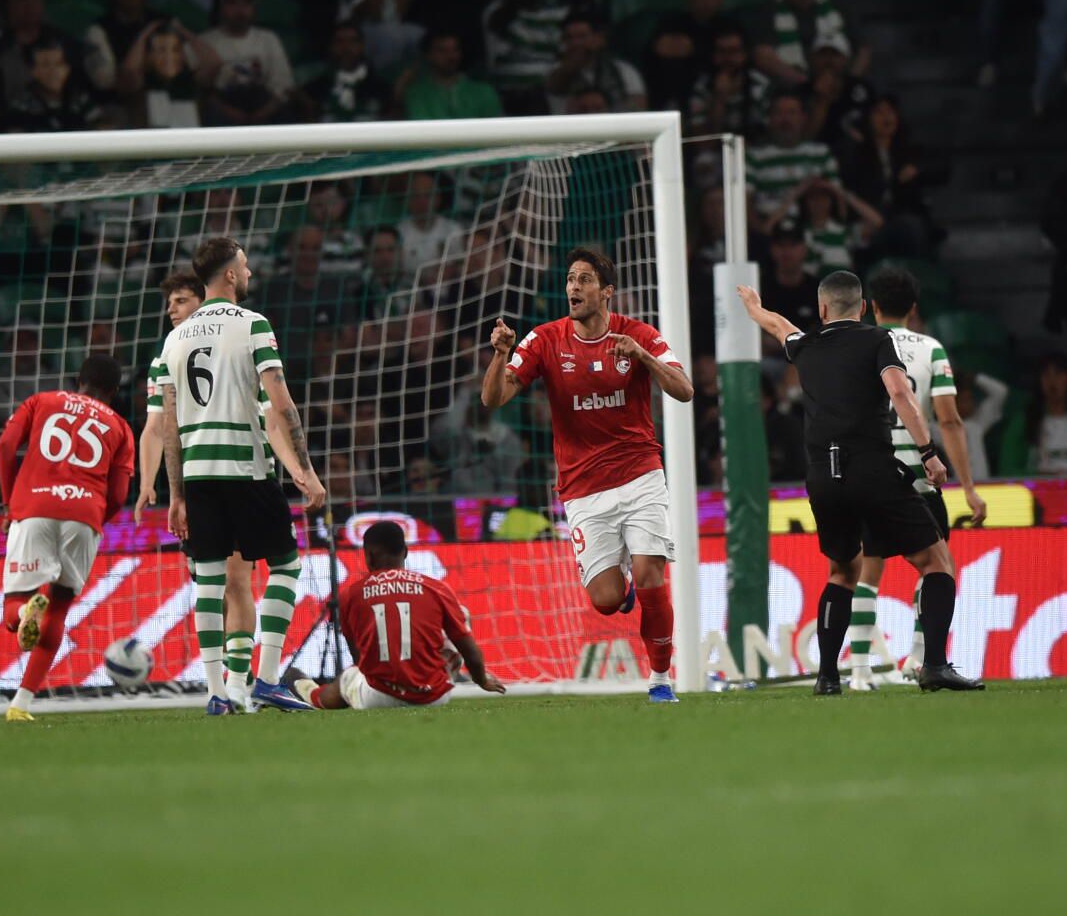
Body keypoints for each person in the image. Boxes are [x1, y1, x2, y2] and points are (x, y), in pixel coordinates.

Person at [737, 273, 974, 695]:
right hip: (872, 468)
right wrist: (928, 452)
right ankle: (934, 665)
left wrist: (754, 308)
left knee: (843, 572)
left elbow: (778, 326)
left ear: (822, 309)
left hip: (822, 476)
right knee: (937, 561)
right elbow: (899, 392)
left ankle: (828, 677)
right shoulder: (877, 340)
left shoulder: (805, 345)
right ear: (863, 308)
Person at [481, 247, 695, 702]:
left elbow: (684, 390)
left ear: (606, 291)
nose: (573, 287)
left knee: (651, 573)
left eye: (584, 280)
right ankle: (623, 589)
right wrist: (500, 355)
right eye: (570, 280)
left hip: (640, 474)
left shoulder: (638, 335)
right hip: (583, 489)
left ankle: (660, 679)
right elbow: (493, 399)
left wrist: (643, 356)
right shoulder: (544, 339)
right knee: (605, 600)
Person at [155, 237, 328, 714]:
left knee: (210, 583)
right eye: (245, 266)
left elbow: (170, 425)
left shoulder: (174, 339)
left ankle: (216, 692)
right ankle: (268, 679)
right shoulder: (253, 325)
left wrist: (176, 495)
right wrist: (306, 471)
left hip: (198, 473)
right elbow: (281, 403)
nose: (249, 273)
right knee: (285, 565)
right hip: (246, 468)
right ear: (230, 274)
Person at [837, 267, 988, 691]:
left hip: (871, 471)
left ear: (872, 307)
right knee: (936, 567)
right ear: (914, 310)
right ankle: (920, 660)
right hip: (919, 477)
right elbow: (949, 420)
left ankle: (860, 671)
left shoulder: (858, 345)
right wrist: (969, 488)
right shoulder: (931, 349)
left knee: (868, 571)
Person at [0, 354, 136, 721]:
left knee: (14, 606)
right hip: (85, 514)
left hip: (35, 506)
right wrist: (93, 518)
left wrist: (9, 503)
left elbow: (6, 446)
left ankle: (25, 612)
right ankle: (21, 704)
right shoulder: (121, 427)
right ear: (114, 392)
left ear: (79, 380)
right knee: (58, 608)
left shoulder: (42, 401)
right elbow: (119, 494)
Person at [141, 272, 258, 693]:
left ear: (202, 299)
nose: (171, 310)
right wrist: (149, 483)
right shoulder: (166, 356)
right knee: (210, 583)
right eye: (168, 303)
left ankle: (238, 682)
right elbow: (157, 427)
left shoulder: (238, 339)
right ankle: (229, 678)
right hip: (196, 482)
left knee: (235, 580)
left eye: (180, 301)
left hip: (239, 472)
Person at [308, 520, 504, 710]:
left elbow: (360, 660)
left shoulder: (350, 595)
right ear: (406, 552)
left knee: (347, 678)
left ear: (369, 555)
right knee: (461, 614)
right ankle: (441, 676)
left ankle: (311, 695)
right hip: (434, 697)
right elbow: (470, 651)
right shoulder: (436, 589)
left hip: (378, 698)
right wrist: (482, 680)